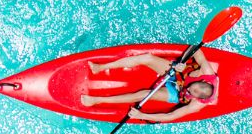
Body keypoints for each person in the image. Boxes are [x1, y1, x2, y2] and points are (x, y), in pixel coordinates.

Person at [80, 49, 218, 122]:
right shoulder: (206, 71)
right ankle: (100, 67)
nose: (189, 88)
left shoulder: (197, 104)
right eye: (192, 86)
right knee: (147, 58)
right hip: (178, 72)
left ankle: (97, 100)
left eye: (192, 92)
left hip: (176, 92)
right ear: (204, 81)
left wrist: (142, 115)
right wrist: (183, 62)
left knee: (144, 95)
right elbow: (196, 50)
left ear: (197, 97)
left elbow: (170, 116)